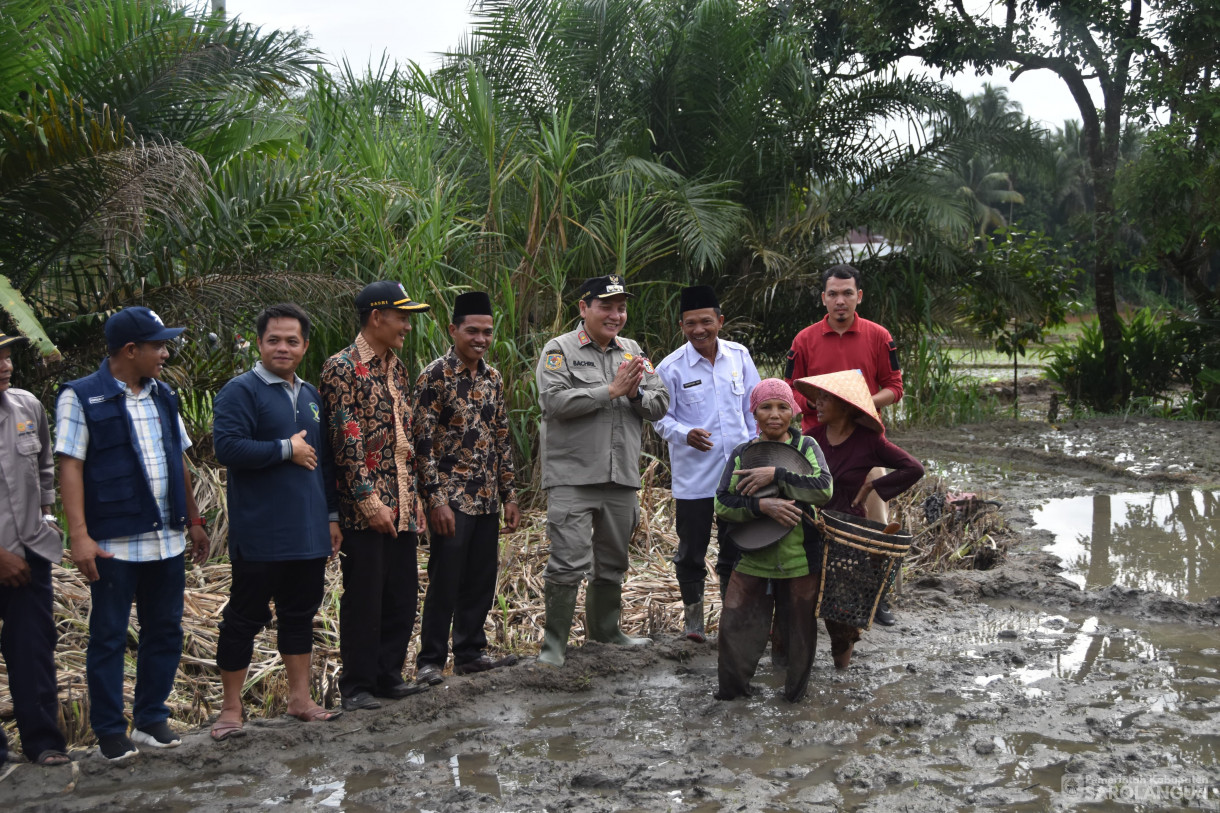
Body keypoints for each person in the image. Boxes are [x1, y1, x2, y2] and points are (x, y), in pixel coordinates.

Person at [56, 307, 210, 762]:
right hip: (113, 543)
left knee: (164, 629)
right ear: (130, 350)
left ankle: (150, 718)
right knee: (109, 636)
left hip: (166, 540)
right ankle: (108, 729)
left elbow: (177, 458)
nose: (165, 353)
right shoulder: (82, 397)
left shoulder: (164, 395)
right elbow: (70, 465)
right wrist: (79, 536)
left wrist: (195, 521)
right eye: (158, 346)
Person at [209, 303, 344, 741]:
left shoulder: (310, 396)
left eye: (292, 340)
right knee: (243, 619)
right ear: (260, 343)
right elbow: (227, 448)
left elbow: (322, 463)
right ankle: (231, 710)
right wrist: (285, 449)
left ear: (305, 346)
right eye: (273, 340)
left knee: (299, 615)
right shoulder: (240, 391)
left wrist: (331, 517)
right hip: (261, 532)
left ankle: (300, 700)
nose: (282, 348)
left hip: (307, 533)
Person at [535, 274, 670, 667]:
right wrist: (609, 391)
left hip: (621, 477)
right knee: (567, 560)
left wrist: (636, 393)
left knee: (613, 560)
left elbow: (660, 403)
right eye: (606, 306)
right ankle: (554, 645)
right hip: (573, 476)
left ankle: (606, 633)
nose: (616, 315)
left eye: (621, 307)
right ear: (584, 308)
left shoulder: (632, 352)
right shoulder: (558, 350)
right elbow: (554, 401)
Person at [321, 281, 431, 711]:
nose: (407, 325)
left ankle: (388, 675)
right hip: (364, 509)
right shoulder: (341, 368)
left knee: (401, 594)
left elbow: (407, 441)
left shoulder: (397, 369)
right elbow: (345, 442)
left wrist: (415, 502)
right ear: (375, 317)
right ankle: (358, 685)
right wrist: (370, 503)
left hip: (403, 503)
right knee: (365, 597)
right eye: (401, 316)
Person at [783, 263, 904, 623]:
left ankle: (876, 596)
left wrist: (859, 406)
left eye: (847, 293)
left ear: (859, 296)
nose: (840, 300)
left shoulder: (879, 336)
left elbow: (894, 387)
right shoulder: (804, 340)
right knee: (807, 517)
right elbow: (791, 389)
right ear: (823, 298)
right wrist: (824, 406)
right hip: (815, 443)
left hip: (866, 441)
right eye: (833, 294)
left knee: (876, 518)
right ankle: (808, 595)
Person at [412, 292, 521, 686]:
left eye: (488, 332)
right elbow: (421, 444)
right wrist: (435, 500)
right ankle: (430, 660)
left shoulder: (493, 379)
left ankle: (471, 652)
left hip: (487, 496)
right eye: (472, 331)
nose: (481, 338)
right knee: (446, 578)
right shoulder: (434, 377)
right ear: (453, 329)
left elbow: (502, 439)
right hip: (452, 498)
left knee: (480, 577)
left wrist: (510, 495)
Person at [794, 370, 924, 668]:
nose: (818, 404)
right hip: (810, 529)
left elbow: (913, 468)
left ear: (845, 404)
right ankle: (797, 668)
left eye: (826, 398)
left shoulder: (869, 441)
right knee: (800, 602)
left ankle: (841, 673)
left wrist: (873, 486)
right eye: (818, 398)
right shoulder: (811, 438)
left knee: (840, 612)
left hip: (848, 537)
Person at [713, 379, 833, 702]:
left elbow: (824, 489)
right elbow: (722, 504)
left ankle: (794, 699)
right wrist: (761, 506)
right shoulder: (742, 454)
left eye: (782, 407)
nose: (774, 414)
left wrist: (776, 476)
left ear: (793, 411)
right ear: (754, 413)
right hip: (752, 559)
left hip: (799, 562)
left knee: (800, 637)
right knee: (735, 628)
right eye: (766, 407)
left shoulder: (807, 448)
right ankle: (733, 697)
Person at [654, 285, 760, 642]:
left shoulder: (739, 356)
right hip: (695, 480)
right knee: (691, 552)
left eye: (706, 322)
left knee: (736, 548)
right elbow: (659, 419)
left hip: (739, 479)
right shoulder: (670, 367)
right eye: (690, 324)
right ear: (681, 325)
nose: (699, 330)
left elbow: (753, 407)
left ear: (720, 321)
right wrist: (685, 434)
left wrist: (757, 447)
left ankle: (732, 620)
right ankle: (694, 624)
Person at [0, 332, 70, 766]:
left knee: (33, 648)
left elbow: (44, 465)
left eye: (6, 354)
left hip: (30, 553)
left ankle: (44, 744)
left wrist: (46, 517)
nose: (5, 364)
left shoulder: (27, 406)